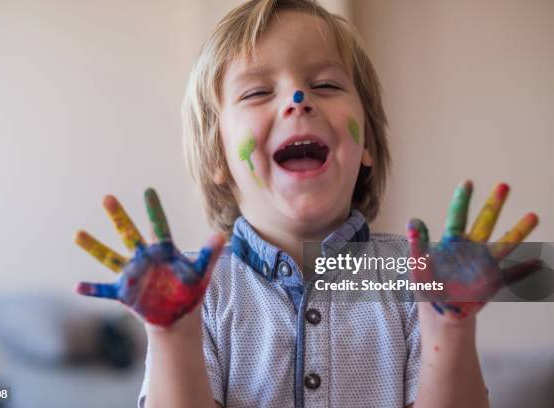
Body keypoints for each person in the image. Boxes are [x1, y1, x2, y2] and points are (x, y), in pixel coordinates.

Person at [74, 1, 540, 407]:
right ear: (219, 156)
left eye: (327, 85)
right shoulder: (196, 291)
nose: (298, 100)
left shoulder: (415, 274)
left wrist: (450, 331)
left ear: (368, 144)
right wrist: (172, 333)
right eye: (257, 92)